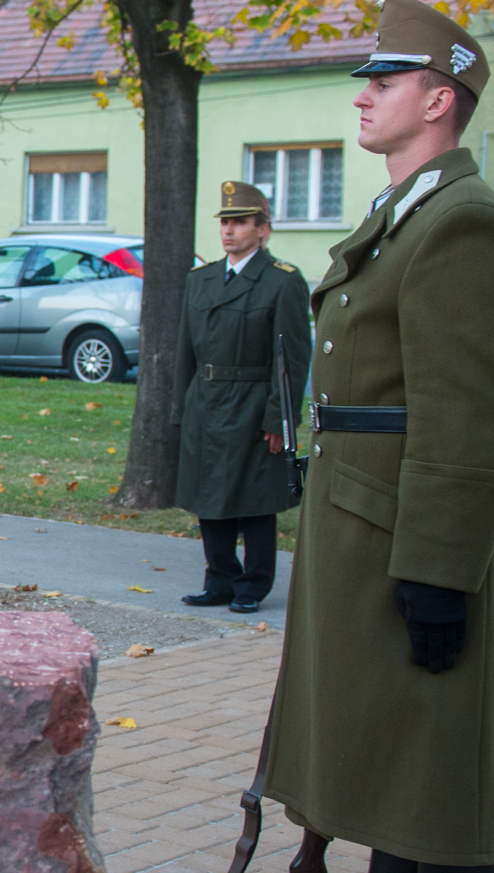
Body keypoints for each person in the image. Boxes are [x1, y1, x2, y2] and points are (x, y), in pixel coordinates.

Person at [260, 3, 494, 873]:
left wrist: (436, 570)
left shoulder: (463, 219)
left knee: (444, 766)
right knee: (391, 744)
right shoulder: (409, 211)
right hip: (363, 519)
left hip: (421, 533)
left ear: (439, 99)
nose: (360, 94)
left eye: (382, 80)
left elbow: (472, 416)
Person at [172, 182, 311, 614]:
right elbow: (185, 353)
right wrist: (181, 410)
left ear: (263, 229)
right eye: (226, 222)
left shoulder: (281, 282)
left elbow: (291, 358)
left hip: (254, 402)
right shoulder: (202, 279)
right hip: (206, 401)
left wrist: (279, 419)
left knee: (254, 499)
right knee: (208, 496)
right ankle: (219, 578)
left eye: (241, 222)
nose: (229, 231)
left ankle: (254, 583)